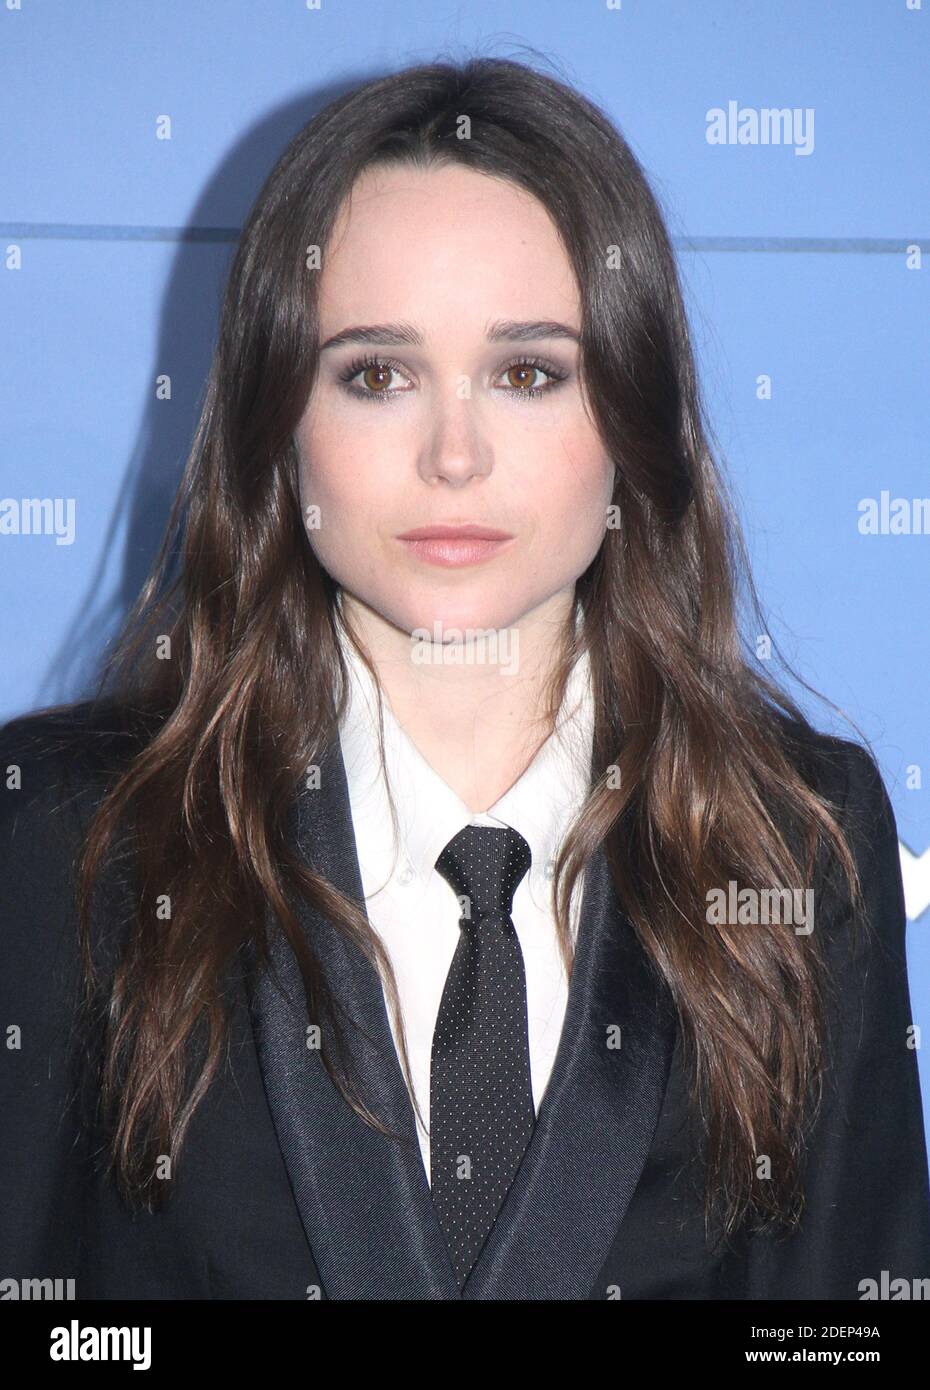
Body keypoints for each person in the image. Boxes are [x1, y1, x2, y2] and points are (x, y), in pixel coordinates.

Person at [1, 55, 928, 1302]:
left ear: (632, 416)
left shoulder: (793, 845)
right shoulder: (71, 835)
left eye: (528, 372)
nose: (453, 454)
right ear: (279, 425)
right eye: (376, 374)